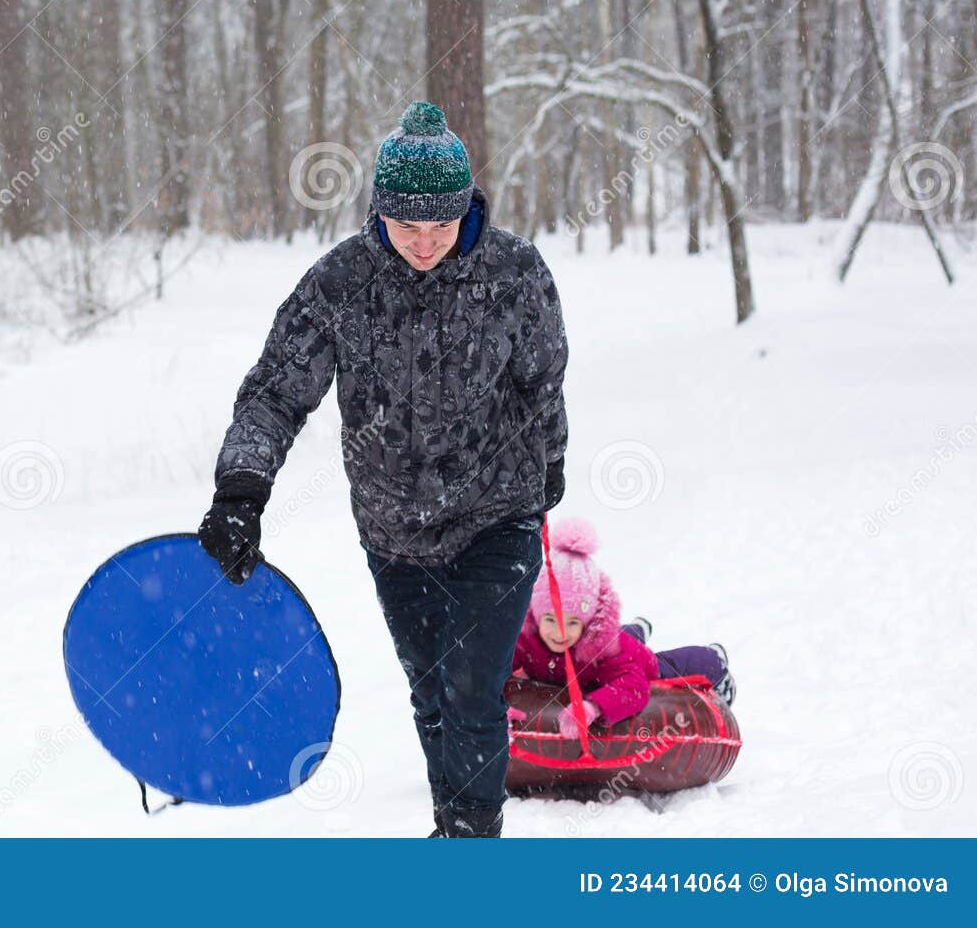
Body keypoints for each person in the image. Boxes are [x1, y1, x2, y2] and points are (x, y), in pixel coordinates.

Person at [197, 100, 569, 838]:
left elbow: (543, 380)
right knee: (431, 690)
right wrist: (242, 488)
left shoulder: (515, 273)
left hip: (498, 514)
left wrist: (548, 467)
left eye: (441, 225)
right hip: (393, 528)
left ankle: (469, 840)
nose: (426, 242)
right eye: (409, 227)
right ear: (380, 212)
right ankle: (452, 821)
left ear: (466, 208)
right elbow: (276, 391)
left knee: (470, 691)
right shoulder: (341, 284)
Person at [513, 517, 735, 740]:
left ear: (589, 622)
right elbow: (493, 667)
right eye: (551, 620)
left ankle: (714, 658)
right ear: (536, 615)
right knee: (624, 636)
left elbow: (633, 686)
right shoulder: (526, 638)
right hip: (608, 646)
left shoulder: (604, 649)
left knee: (665, 664)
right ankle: (637, 628)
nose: (560, 632)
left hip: (632, 660)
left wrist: (594, 707)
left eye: (572, 623)